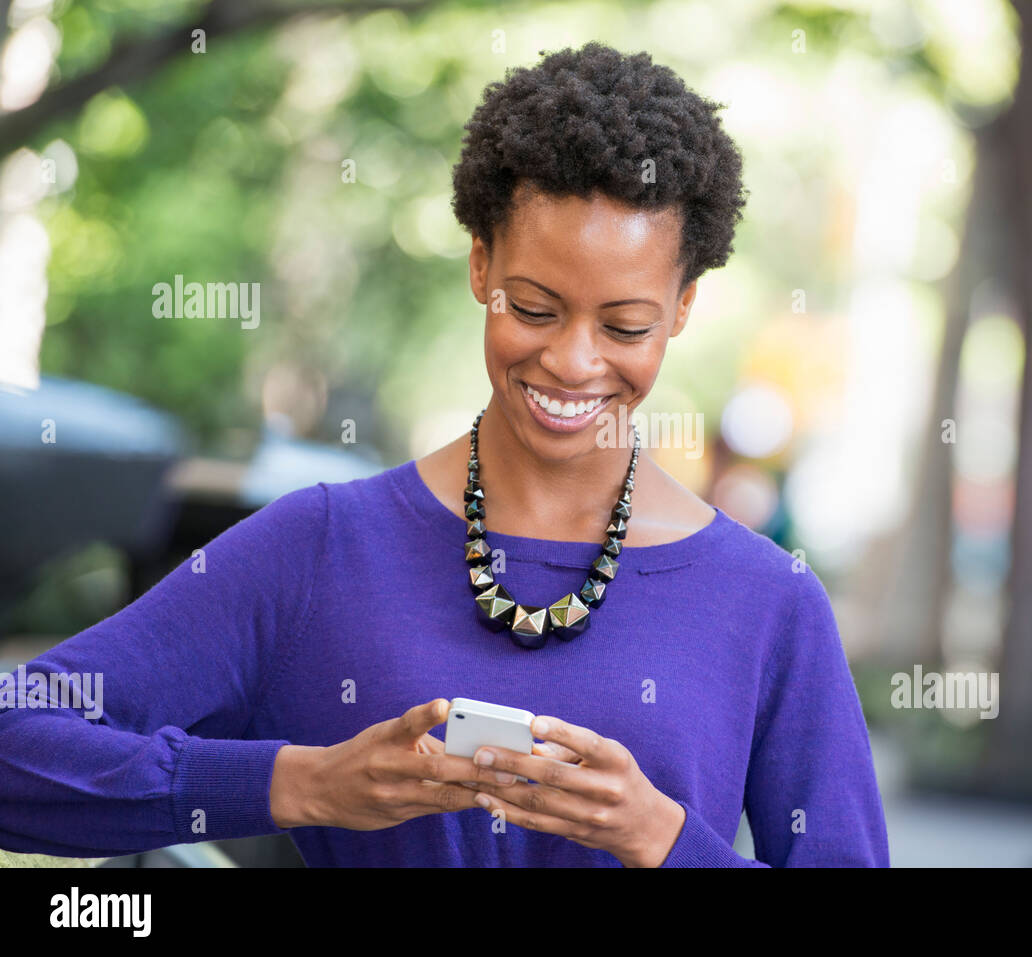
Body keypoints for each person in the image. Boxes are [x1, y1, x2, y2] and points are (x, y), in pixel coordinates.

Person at [0, 41, 889, 867]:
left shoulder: (771, 604)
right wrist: (301, 784)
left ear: (684, 308)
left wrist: (661, 836)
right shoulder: (323, 546)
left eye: (625, 325)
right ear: (480, 266)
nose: (574, 361)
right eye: (535, 308)